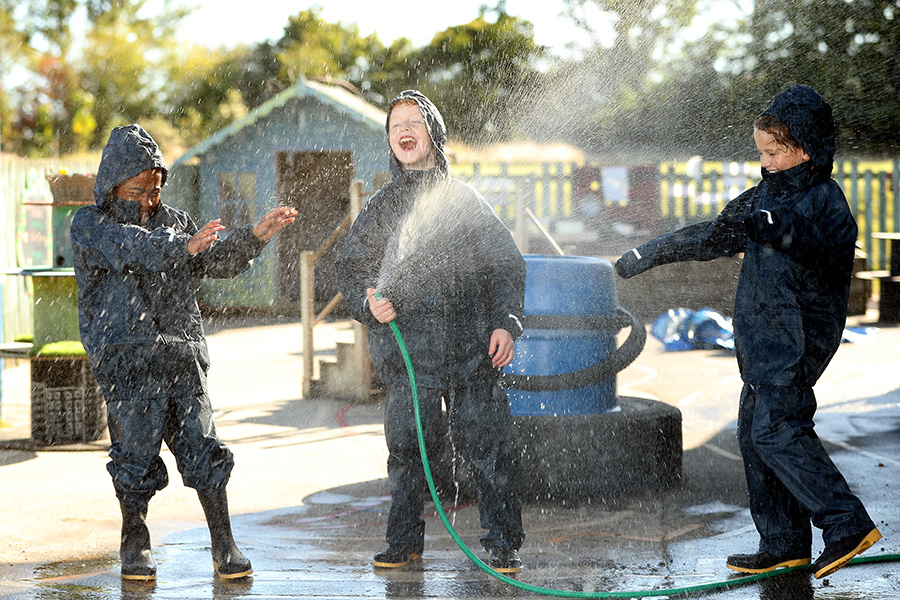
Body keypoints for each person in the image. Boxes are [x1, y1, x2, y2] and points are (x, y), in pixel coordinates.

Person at [615, 85, 881, 579]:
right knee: (754, 438)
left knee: (779, 431)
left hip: (797, 339)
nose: (767, 161)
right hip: (761, 341)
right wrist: (649, 253)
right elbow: (717, 233)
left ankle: (847, 522)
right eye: (761, 152)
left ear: (809, 147)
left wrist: (770, 222)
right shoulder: (766, 194)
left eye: (776, 151)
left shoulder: (825, 200)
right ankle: (784, 543)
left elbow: (808, 239)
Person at [71, 124, 297, 581]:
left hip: (180, 358)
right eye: (138, 191)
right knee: (133, 457)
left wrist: (252, 238)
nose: (148, 201)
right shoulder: (90, 224)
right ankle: (134, 541)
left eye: (155, 190)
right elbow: (129, 248)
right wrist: (180, 246)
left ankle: (224, 543)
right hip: (127, 361)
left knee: (204, 450)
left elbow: (213, 262)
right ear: (111, 184)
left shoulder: (174, 221)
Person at [335, 90, 527, 573]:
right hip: (408, 358)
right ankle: (404, 543)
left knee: (489, 449)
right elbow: (351, 268)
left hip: (472, 352)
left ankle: (503, 544)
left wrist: (507, 322)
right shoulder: (382, 207)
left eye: (414, 122)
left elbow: (506, 264)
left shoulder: (464, 201)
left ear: (433, 135)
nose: (404, 130)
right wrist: (366, 303)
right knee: (406, 454)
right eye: (396, 124)